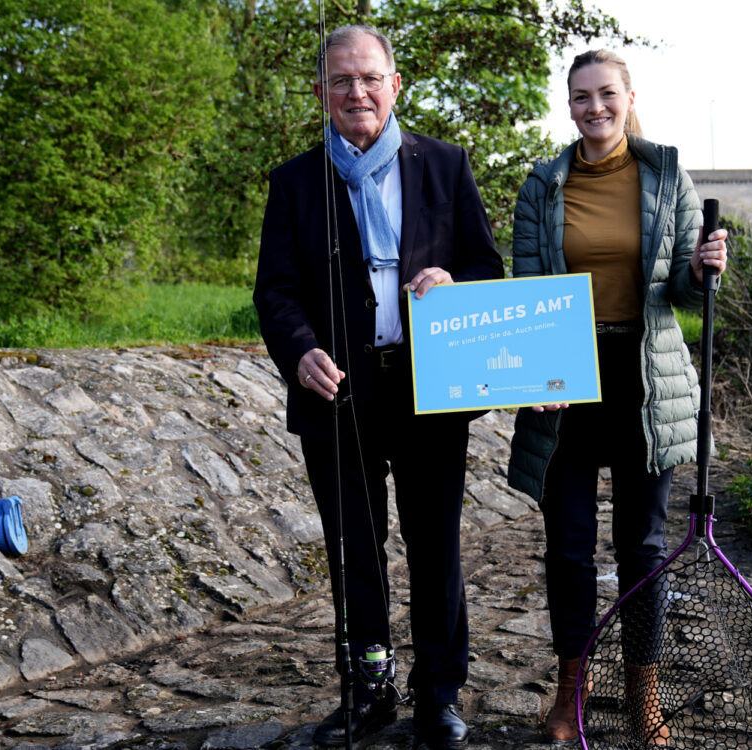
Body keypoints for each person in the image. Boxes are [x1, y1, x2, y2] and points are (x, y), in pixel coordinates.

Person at [253, 24, 502, 750]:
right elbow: (276, 292)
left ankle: (439, 694)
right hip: (339, 396)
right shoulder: (296, 181)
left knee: (436, 549)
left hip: (431, 392)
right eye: (340, 81)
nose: (356, 92)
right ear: (322, 93)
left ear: (396, 85)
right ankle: (370, 687)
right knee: (353, 550)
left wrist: (455, 282)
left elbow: (485, 270)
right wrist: (300, 351)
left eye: (369, 78)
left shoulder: (446, 166)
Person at [506, 49, 729, 745]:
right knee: (568, 547)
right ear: (568, 105)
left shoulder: (667, 175)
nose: (593, 108)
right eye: (580, 97)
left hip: (644, 374)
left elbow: (690, 297)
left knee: (642, 546)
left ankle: (644, 696)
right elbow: (527, 293)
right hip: (567, 379)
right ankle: (572, 693)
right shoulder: (542, 185)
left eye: (606, 94)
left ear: (630, 97)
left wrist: (702, 268)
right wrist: (531, 374)